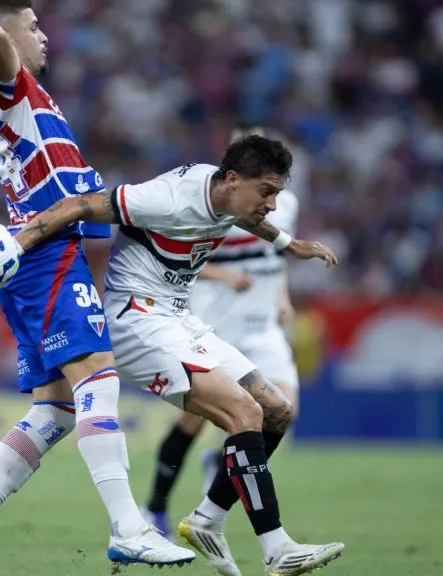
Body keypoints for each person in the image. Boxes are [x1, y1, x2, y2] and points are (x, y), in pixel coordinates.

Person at [0, 0, 194, 573]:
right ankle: (129, 528)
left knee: (56, 410)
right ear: (7, 30)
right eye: (34, 24)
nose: (43, 35)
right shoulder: (9, 88)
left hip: (36, 260)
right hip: (46, 257)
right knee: (97, 378)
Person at [7, 135, 345, 576]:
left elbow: (244, 214)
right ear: (232, 178)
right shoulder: (165, 199)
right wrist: (13, 248)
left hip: (177, 317)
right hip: (136, 318)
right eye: (267, 192)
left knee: (276, 412)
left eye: (277, 194)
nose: (272, 204)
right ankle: (277, 549)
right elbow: (79, 206)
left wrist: (287, 244)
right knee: (243, 412)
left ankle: (207, 519)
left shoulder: (227, 197)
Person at [142, 127, 303, 536]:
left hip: (263, 321)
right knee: (194, 423)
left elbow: (276, 252)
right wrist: (222, 275)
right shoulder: (214, 203)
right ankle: (155, 505)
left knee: (281, 410)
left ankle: (216, 494)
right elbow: (179, 259)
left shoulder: (284, 204)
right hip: (216, 320)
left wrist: (282, 295)